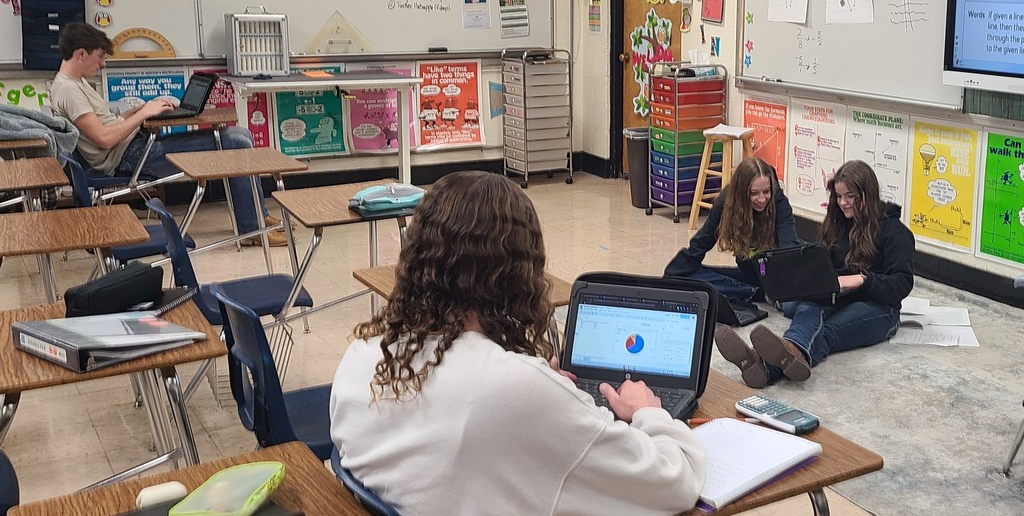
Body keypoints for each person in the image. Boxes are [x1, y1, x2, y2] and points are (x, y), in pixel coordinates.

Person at [330, 171, 707, 515]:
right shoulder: (515, 389)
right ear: (517, 275)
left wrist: (537, 388)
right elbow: (676, 485)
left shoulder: (362, 357)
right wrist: (649, 413)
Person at [49, 23, 287, 247]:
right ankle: (251, 229)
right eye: (100, 56)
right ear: (81, 54)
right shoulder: (69, 90)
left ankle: (257, 215)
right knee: (235, 142)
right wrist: (144, 115)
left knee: (240, 133)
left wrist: (142, 109)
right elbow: (104, 138)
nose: (102, 64)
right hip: (130, 158)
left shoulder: (75, 82)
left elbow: (108, 125)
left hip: (135, 148)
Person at [715, 160, 914, 388]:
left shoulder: (896, 233)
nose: (843, 203)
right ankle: (772, 360)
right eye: (839, 197)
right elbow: (828, 266)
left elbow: (902, 283)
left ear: (867, 194)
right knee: (810, 305)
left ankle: (763, 364)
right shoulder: (840, 224)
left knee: (827, 333)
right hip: (842, 297)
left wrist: (863, 279)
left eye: (850, 197)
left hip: (881, 309)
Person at [664, 157, 802, 303]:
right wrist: (675, 275)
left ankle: (758, 293)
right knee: (688, 275)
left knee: (704, 286)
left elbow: (789, 250)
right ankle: (755, 293)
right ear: (741, 193)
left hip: (777, 275)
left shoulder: (779, 203)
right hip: (749, 275)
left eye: (766, 191)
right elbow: (703, 240)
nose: (761, 199)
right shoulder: (727, 200)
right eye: (754, 193)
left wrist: (780, 286)